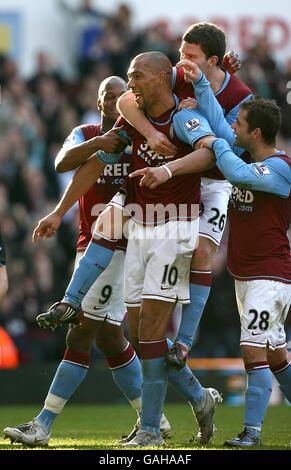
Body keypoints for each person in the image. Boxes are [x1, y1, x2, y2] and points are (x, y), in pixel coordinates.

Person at [33, 52, 223, 448]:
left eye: (137, 75)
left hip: (175, 227)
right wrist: (58, 212)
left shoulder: (184, 117)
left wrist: (167, 169)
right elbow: (94, 163)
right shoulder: (130, 116)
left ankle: (151, 430)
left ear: (159, 78)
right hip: (139, 228)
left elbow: (209, 151)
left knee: (149, 332)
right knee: (138, 335)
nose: (130, 82)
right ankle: (199, 397)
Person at [2, 76, 172, 447]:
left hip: (126, 247)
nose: (113, 100)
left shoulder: (139, 135)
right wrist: (59, 210)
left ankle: (43, 424)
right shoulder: (88, 132)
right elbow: (64, 163)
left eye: (119, 94)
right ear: (98, 102)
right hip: (90, 243)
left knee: (80, 330)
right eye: (106, 95)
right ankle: (158, 415)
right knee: (111, 338)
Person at [131, 97, 291, 447]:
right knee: (277, 355)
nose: (233, 129)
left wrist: (216, 144)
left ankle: (251, 433)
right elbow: (219, 125)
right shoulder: (249, 156)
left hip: (270, 276)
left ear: (257, 132)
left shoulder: (281, 167)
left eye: (240, 125)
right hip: (246, 275)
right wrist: (199, 93)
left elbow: (235, 171)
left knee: (253, 351)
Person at [117, 22, 253, 368]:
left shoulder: (240, 95)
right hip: (180, 178)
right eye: (181, 52)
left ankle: (184, 342)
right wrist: (149, 132)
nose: (182, 61)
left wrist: (201, 95)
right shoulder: (176, 76)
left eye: (190, 55)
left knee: (204, 251)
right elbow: (124, 100)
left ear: (213, 60)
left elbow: (229, 144)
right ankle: (156, 334)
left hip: (216, 181)